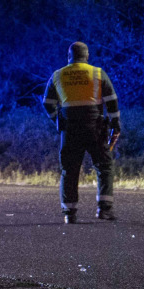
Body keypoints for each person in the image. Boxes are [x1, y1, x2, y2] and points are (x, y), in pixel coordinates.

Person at [42, 42, 121, 223]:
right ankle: (104, 210)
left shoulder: (58, 75)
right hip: (95, 127)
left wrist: (57, 120)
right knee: (104, 166)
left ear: (68, 56)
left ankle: (70, 213)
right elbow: (112, 101)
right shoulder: (97, 73)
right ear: (87, 56)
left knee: (69, 169)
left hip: (70, 129)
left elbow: (47, 103)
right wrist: (115, 124)